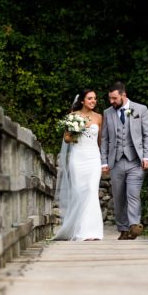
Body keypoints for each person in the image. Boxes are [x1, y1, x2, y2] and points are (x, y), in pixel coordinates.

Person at [100, 81, 148, 240]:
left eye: (114, 98)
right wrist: (104, 162)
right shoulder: (108, 113)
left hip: (135, 161)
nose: (112, 101)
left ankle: (134, 225)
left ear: (124, 95)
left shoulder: (140, 109)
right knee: (119, 197)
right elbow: (104, 139)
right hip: (115, 162)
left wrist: (147, 156)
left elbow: (147, 134)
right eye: (110, 98)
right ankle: (123, 229)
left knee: (133, 194)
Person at [53, 89, 104, 241]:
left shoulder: (99, 117)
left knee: (91, 190)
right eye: (90, 98)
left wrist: (104, 160)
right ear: (82, 100)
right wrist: (76, 130)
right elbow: (67, 139)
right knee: (79, 192)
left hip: (94, 158)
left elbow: (100, 141)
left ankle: (92, 231)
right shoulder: (73, 116)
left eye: (95, 98)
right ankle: (79, 229)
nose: (93, 101)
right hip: (78, 158)